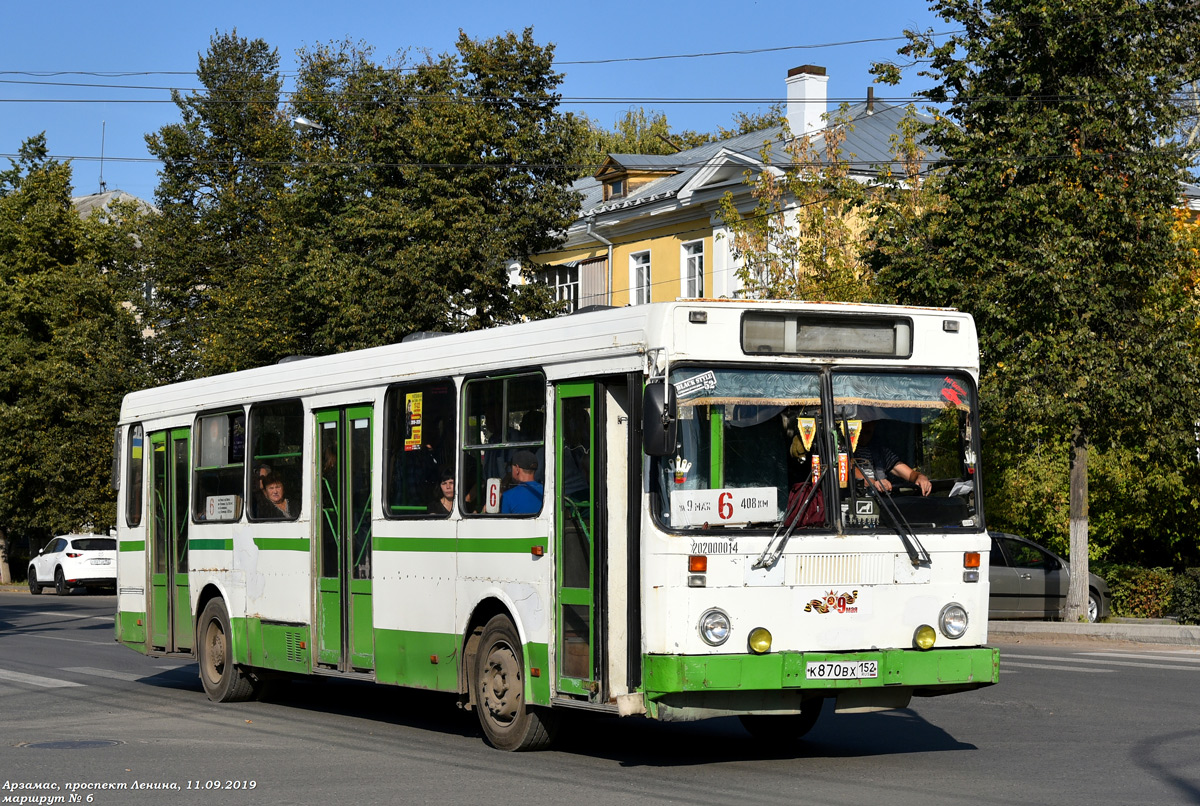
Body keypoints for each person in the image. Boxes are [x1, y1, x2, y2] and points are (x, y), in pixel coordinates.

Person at [854, 420, 932, 496]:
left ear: (874, 425)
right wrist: (875, 483)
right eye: (860, 432)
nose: (863, 437)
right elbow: (850, 469)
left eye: (867, 432)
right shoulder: (846, 450)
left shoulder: (880, 451)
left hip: (881, 503)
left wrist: (920, 477)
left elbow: (908, 473)